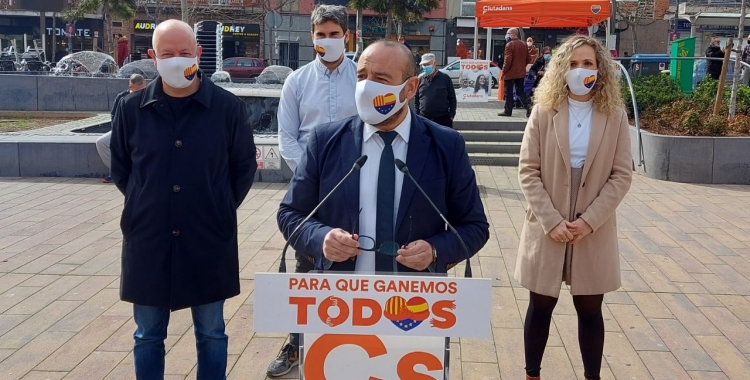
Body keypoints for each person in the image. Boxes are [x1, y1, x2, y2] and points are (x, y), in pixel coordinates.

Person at [277, 36, 488, 289]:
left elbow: (474, 226)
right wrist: (321, 238)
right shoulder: (324, 141)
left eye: (381, 79)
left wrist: (435, 250)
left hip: (415, 305)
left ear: (410, 88)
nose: (367, 87)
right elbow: (290, 213)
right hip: (337, 303)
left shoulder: (446, 145)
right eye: (362, 76)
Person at [110, 20, 257, 379]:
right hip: (149, 239)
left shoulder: (227, 109)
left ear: (199, 54)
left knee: (212, 332)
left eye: (185, 54)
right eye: (168, 54)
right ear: (152, 58)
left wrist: (216, 206)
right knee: (147, 334)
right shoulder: (131, 110)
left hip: (208, 237)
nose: (177, 61)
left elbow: (242, 168)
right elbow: (122, 170)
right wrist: (150, 204)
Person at [515, 35, 632, 380]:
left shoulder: (614, 115)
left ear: (600, 70)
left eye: (588, 64)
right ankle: (532, 373)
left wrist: (589, 221)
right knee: (540, 304)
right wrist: (551, 220)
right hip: (547, 222)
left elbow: (621, 175)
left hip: (592, 227)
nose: (581, 70)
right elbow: (528, 170)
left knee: (590, 308)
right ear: (561, 69)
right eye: (573, 64)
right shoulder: (544, 111)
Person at [271, 4, 358, 377]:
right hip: (310, 190)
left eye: (334, 34)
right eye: (320, 35)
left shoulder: (362, 77)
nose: (327, 40)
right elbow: (286, 139)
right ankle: (297, 343)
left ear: (347, 36)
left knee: (355, 259)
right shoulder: (296, 81)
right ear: (312, 38)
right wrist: (312, 175)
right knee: (306, 266)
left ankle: (356, 343)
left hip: (358, 184)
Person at [97, 74, 146, 183]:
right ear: (130, 87)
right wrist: (120, 132)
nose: (140, 93)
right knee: (101, 142)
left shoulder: (149, 96)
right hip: (124, 130)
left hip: (143, 131)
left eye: (142, 89)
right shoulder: (122, 98)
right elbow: (114, 116)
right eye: (137, 91)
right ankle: (116, 172)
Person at [414, 53, 456, 128]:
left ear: (434, 63)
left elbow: (452, 98)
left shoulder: (445, 78)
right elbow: (416, 99)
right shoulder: (420, 79)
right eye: (424, 65)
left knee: (443, 139)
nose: (425, 67)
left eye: (427, 64)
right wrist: (417, 115)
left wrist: (451, 115)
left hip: (443, 119)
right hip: (424, 118)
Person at [499, 28, 531, 118]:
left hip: (510, 73)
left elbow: (507, 60)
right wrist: (522, 65)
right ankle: (528, 105)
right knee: (520, 91)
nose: (506, 35)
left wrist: (504, 72)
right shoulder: (524, 44)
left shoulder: (509, 45)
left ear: (513, 34)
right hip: (520, 72)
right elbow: (528, 58)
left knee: (508, 92)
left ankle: (507, 111)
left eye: (508, 33)